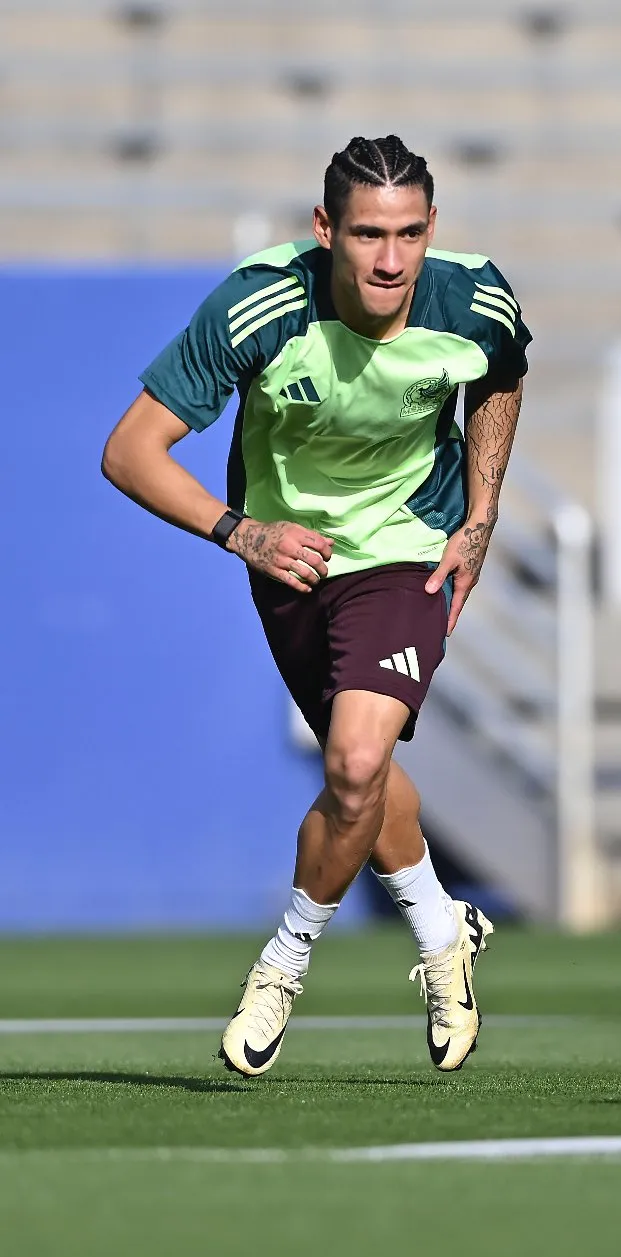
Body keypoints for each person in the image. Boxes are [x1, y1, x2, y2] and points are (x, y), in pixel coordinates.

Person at [102, 135, 531, 1077]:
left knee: (355, 759)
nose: (390, 260)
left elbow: (499, 374)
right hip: (289, 562)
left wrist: (484, 512)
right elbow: (130, 450)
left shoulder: (475, 297)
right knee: (361, 778)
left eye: (410, 233)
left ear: (432, 229)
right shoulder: (259, 306)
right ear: (324, 229)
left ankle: (282, 962)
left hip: (410, 552)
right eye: (369, 234)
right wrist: (245, 533)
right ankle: (440, 930)